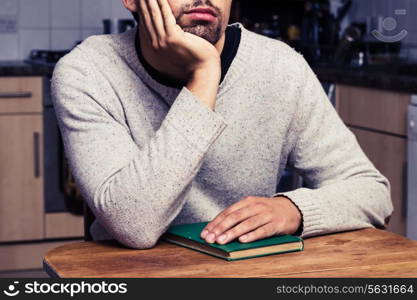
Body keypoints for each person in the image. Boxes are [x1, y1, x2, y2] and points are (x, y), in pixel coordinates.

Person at [51, 0, 393, 249]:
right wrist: (204, 75)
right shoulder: (88, 70)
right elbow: (133, 225)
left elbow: (371, 192)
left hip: (248, 275)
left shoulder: (281, 68)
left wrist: (295, 211)